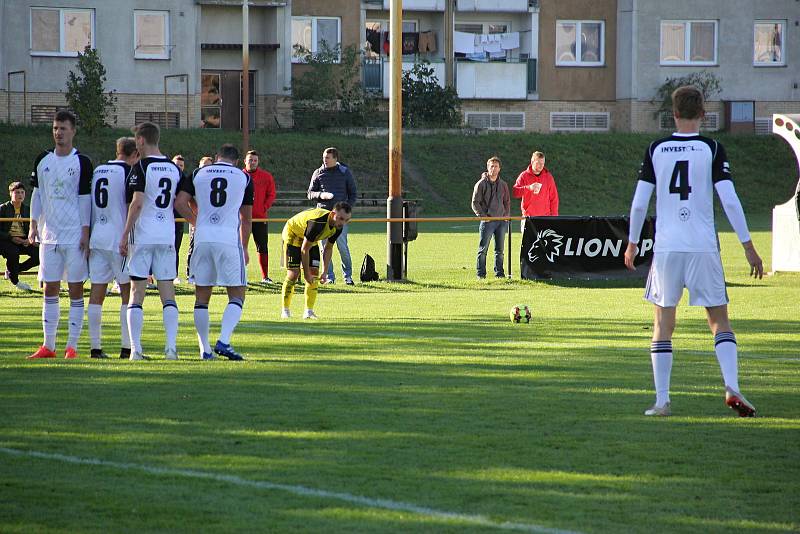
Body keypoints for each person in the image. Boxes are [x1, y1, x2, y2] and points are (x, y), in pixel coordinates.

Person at [624, 85, 764, 418]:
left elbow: (640, 201)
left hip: (668, 248)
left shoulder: (656, 148)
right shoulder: (712, 149)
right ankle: (731, 385)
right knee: (719, 321)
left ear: (672, 114)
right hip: (703, 246)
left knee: (663, 323)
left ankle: (662, 401)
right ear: (703, 113)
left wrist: (631, 242)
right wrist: (748, 246)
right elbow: (729, 200)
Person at [175, 144, 253, 360]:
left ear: (217, 157)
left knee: (202, 296)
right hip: (228, 239)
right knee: (237, 293)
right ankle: (224, 341)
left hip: (202, 238)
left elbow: (180, 202)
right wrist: (244, 246)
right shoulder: (243, 177)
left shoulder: (199, 173)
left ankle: (205, 349)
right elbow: (246, 218)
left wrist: (195, 222)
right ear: (236, 161)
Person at [27, 110, 93, 359]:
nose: (58, 133)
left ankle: (72, 347)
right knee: (49, 289)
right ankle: (48, 346)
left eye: (63, 128)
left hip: (74, 235)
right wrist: (33, 225)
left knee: (75, 289)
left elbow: (85, 199)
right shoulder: (42, 160)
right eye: (55, 128)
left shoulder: (82, 162)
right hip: (49, 235)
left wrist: (85, 232)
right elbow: (38, 195)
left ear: (73, 131)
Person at [119, 122, 184, 361]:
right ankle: (171, 349)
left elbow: (136, 203)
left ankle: (136, 350)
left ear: (141, 141)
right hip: (166, 235)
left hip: (143, 236)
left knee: (137, 294)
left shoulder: (141, 168)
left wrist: (125, 233)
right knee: (168, 294)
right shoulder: (174, 168)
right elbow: (181, 199)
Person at [85, 138, 138, 359]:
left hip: (98, 236)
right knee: (128, 293)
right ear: (134, 153)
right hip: (119, 239)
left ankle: (95, 348)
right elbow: (129, 205)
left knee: (97, 294)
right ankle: (127, 348)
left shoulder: (99, 170)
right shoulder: (128, 172)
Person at [280, 202, 352, 319]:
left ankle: (308, 312)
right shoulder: (317, 223)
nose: (343, 223)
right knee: (293, 274)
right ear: (333, 214)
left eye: (346, 220)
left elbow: (328, 248)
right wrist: (306, 273)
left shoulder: (338, 227)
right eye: (341, 219)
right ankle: (285, 310)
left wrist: (324, 272)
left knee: (314, 274)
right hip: (292, 234)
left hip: (308, 239)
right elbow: (304, 250)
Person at [307, 147, 357, 285]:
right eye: (324, 157)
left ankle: (348, 276)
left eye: (328, 158)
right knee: (324, 248)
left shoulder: (345, 172)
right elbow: (310, 193)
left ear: (335, 159)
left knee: (342, 247)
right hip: (323, 216)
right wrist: (320, 195)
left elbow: (353, 193)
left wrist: (346, 210)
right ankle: (329, 277)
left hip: (339, 219)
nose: (325, 160)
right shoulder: (318, 173)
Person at [471, 156, 510, 279]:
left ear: (499, 169)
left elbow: (507, 202)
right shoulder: (481, 184)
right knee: (483, 250)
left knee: (500, 251)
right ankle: (480, 275)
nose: (494, 168)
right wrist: (483, 216)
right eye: (491, 166)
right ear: (488, 168)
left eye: (496, 166)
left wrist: (506, 216)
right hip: (487, 222)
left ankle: (499, 274)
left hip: (501, 222)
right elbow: (475, 202)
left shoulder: (503, 185)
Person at [242, 149, 276, 284]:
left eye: (255, 160)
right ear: (245, 161)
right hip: (242, 218)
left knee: (262, 247)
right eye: (250, 160)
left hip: (260, 217)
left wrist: (264, 208)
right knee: (240, 247)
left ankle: (265, 276)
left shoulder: (266, 176)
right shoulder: (239, 176)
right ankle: (241, 275)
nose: (253, 162)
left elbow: (271, 194)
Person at [0, 181, 39, 292]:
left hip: (23, 240)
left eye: (22, 192)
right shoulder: (3, 208)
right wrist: (11, 238)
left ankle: (13, 270)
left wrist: (28, 239)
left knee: (39, 255)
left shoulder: (27, 210)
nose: (20, 195)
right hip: (7, 241)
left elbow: (33, 227)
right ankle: (15, 280)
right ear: (11, 194)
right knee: (13, 252)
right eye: (17, 192)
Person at [512, 151, 559, 218]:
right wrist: (529, 188)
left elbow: (554, 198)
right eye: (538, 163)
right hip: (528, 217)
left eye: (543, 163)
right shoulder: (524, 175)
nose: (541, 165)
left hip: (545, 217)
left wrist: (554, 217)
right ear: (532, 162)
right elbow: (515, 192)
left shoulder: (548, 177)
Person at [171, 154, 187, 284]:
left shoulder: (185, 180)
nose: (178, 167)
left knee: (176, 247)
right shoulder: (167, 177)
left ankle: (174, 274)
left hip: (178, 218)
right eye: (176, 165)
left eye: (181, 165)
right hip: (165, 218)